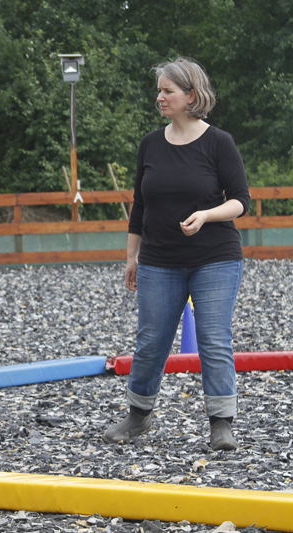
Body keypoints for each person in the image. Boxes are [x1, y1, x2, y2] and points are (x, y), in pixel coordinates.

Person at [103, 57, 251, 451]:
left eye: (167, 91)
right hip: (157, 259)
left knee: (214, 338)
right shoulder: (150, 143)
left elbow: (241, 202)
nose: (160, 97)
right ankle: (138, 416)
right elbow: (140, 205)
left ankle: (221, 423)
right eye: (160, 90)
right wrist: (131, 256)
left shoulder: (219, 142)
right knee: (151, 340)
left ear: (191, 95)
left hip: (216, 256)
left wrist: (206, 215)